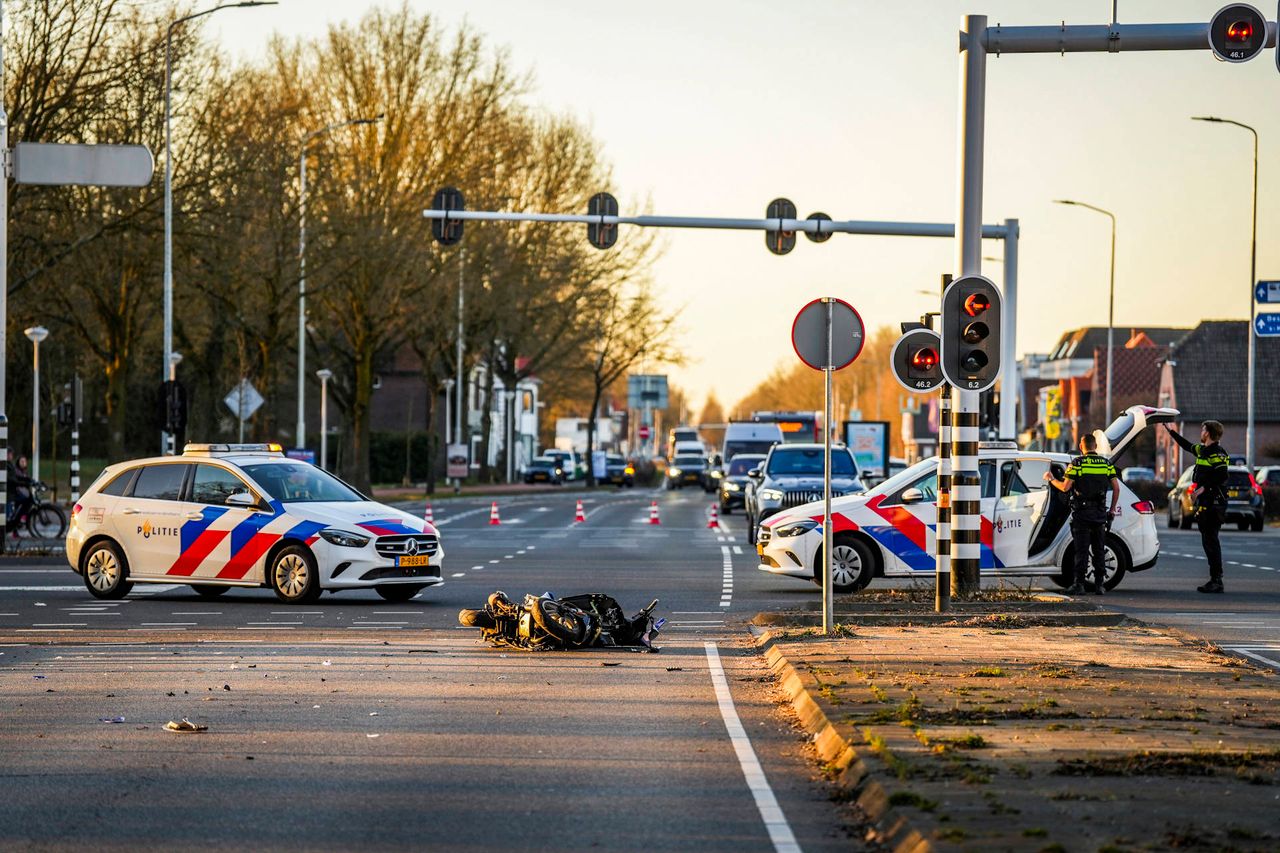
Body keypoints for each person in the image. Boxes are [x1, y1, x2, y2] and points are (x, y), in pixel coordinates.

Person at [1044, 434, 1120, 595]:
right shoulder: (1106, 464)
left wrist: (1051, 479)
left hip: (1082, 514)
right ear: (1096, 446)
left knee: (1081, 550)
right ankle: (1100, 585)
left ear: (1081, 446)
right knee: (1099, 550)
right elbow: (1116, 488)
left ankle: (1079, 584)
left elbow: (1065, 487)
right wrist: (1111, 510)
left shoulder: (1077, 463)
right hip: (1100, 514)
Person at [1165, 420, 1230, 593]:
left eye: (1202, 429)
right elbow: (1186, 445)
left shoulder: (1217, 452)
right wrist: (1171, 432)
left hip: (1214, 502)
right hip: (1206, 502)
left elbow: (1222, 474)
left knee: (1211, 540)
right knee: (1208, 540)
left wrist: (1202, 488)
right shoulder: (1203, 450)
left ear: (1208, 432)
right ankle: (1215, 579)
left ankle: (1217, 580)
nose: (1201, 432)